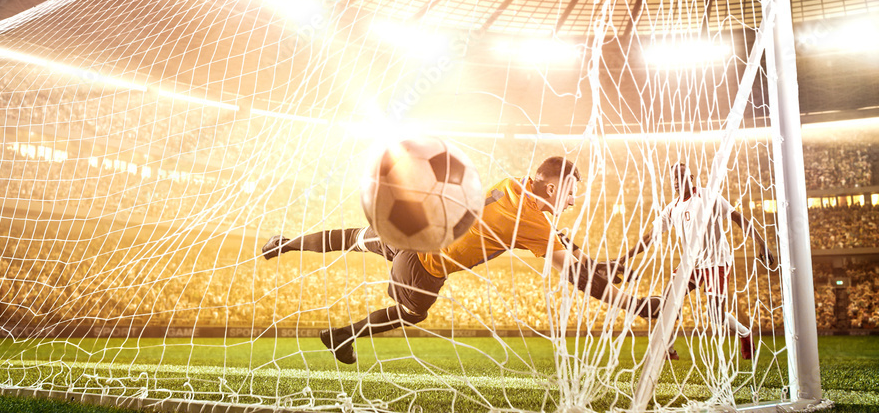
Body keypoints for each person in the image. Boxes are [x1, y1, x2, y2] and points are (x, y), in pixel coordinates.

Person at [261, 156, 661, 364]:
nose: (573, 201)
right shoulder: (534, 224)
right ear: (552, 186)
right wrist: (635, 305)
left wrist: (627, 259)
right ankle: (342, 336)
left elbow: (580, 258)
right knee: (412, 313)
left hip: (416, 232)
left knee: (352, 237)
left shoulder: (511, 185)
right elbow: (577, 274)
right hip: (422, 269)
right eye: (571, 192)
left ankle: (287, 243)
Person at [616, 162, 776, 360]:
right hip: (691, 263)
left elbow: (737, 218)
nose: (677, 181)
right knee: (668, 301)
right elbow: (649, 237)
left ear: (691, 178)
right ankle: (669, 349)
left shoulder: (707, 196)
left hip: (716, 260)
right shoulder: (672, 208)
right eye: (674, 177)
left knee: (716, 314)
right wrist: (624, 258)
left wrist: (761, 243)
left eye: (682, 176)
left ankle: (744, 333)